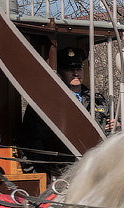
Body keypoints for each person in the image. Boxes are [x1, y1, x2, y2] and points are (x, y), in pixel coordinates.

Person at [19, 47, 113, 175]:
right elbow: (31, 143)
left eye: (78, 69)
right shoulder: (44, 102)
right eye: (70, 69)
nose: (76, 73)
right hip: (59, 173)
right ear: (60, 72)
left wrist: (115, 127)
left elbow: (109, 132)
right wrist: (38, 176)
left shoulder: (97, 100)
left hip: (94, 171)